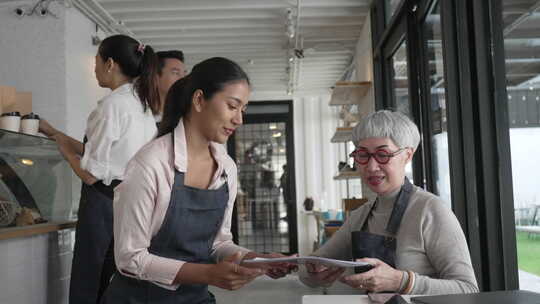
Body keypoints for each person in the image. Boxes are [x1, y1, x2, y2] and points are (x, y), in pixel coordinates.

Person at [100, 57, 293, 304]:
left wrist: (256, 260)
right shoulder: (150, 164)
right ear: (199, 100)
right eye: (232, 106)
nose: (239, 120)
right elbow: (130, 258)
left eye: (242, 110)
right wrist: (209, 274)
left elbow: (217, 243)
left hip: (195, 298)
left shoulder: (227, 169)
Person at [299, 110, 478, 295]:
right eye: (362, 155)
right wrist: (311, 270)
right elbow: (311, 272)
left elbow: (468, 289)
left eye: (383, 155)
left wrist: (403, 282)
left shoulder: (430, 210)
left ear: (407, 155)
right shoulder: (360, 217)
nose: (371, 166)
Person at [39, 34, 159, 304]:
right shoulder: (141, 107)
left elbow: (91, 173)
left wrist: (65, 152)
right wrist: (55, 133)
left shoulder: (111, 107)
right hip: (129, 204)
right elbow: (103, 157)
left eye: (96, 61)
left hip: (103, 203)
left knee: (88, 279)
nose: (94, 68)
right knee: (114, 278)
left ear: (110, 64)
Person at [155, 50, 186, 123]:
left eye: (184, 74)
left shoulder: (185, 116)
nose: (182, 79)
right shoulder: (137, 114)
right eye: (175, 73)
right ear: (155, 77)